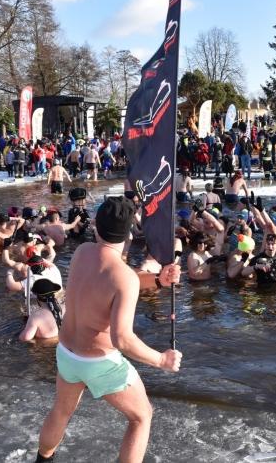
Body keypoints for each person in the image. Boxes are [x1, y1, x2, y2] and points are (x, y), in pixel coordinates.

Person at [35, 197, 181, 463]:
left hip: (67, 353)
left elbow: (114, 278)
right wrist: (161, 360)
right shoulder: (124, 277)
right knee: (141, 417)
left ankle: (43, 459)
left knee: (62, 410)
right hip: (100, 362)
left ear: (96, 225)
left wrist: (159, 280)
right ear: (128, 233)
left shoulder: (83, 252)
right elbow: (122, 339)